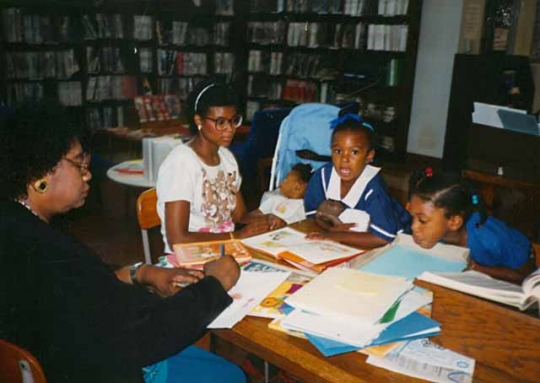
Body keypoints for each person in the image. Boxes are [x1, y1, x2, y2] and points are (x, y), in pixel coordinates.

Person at [0, 100, 246, 383]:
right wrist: (215, 285)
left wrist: (140, 272)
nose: (87, 173)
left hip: (67, 359)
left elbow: (87, 286)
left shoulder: (17, 226)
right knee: (231, 375)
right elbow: (146, 338)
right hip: (109, 368)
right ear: (40, 174)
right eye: (79, 163)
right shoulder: (46, 254)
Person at [156, 80, 278, 253]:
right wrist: (237, 236)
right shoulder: (181, 163)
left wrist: (266, 220)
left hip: (225, 249)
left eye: (233, 120)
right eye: (220, 122)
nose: (229, 129)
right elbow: (177, 238)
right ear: (199, 120)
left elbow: (239, 217)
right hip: (189, 255)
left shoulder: (226, 158)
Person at [407, 169, 536, 283]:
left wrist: (476, 268)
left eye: (422, 220)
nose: (414, 227)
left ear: (454, 222)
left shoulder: (489, 239)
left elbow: (524, 275)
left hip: (516, 265)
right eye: (412, 217)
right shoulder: (435, 230)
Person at [304, 113, 410, 248]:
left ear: (369, 156)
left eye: (354, 152)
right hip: (348, 237)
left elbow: (384, 237)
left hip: (396, 239)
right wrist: (330, 229)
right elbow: (313, 215)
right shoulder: (322, 176)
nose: (344, 159)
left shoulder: (373, 187)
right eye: (338, 151)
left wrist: (332, 236)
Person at [254, 163, 312, 227]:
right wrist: (267, 218)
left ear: (297, 186)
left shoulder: (305, 208)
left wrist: (284, 224)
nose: (280, 183)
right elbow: (249, 217)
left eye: (285, 179)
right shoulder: (275, 199)